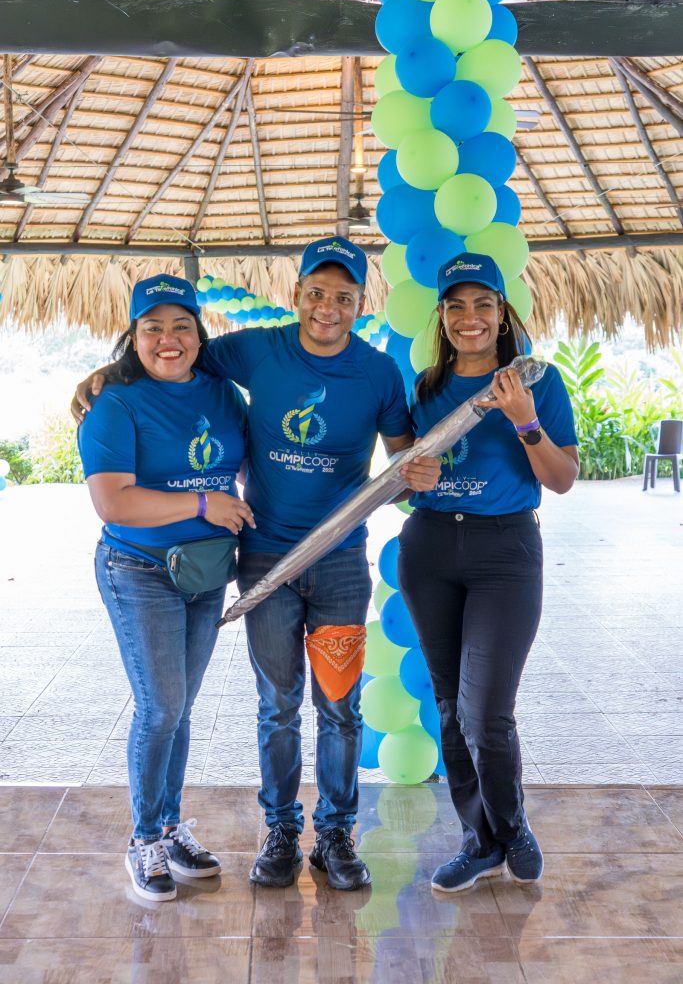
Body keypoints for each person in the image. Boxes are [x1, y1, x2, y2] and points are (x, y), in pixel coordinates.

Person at [73, 238, 440, 892]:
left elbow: (401, 465)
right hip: (261, 559)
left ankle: (335, 835)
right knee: (272, 706)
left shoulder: (379, 373)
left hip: (339, 563)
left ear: (361, 303)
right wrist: (102, 376)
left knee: (339, 706)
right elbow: (165, 357)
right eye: (316, 292)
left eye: (343, 296)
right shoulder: (253, 350)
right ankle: (277, 833)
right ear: (296, 294)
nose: (327, 307)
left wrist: (416, 477)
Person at [397, 252, 579, 893]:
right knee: (450, 707)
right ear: (441, 316)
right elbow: (402, 483)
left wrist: (525, 420)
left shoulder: (537, 380)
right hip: (428, 551)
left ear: (503, 314)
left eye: (482, 304)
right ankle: (478, 843)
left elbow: (562, 479)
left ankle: (512, 827)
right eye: (456, 305)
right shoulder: (424, 387)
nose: (468, 317)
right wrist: (411, 479)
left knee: (486, 711)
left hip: (505, 552)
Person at [77, 274, 254, 902]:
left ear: (200, 335)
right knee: (160, 708)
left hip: (204, 571)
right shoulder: (115, 404)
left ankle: (171, 827)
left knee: (179, 709)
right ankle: (144, 838)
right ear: (134, 336)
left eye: (181, 326)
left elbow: (249, 464)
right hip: (139, 570)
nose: (168, 339)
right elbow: (114, 503)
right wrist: (203, 501)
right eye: (152, 327)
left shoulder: (223, 393)